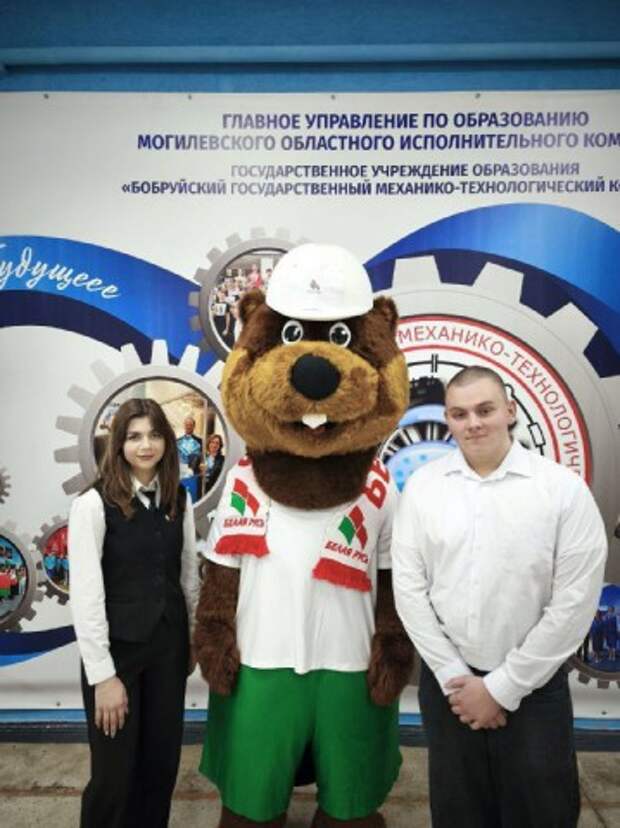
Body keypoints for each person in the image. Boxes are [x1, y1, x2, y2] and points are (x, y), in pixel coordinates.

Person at [391, 365, 607, 828]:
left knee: (542, 814)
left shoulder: (562, 491)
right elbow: (409, 589)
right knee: (458, 813)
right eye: (460, 413)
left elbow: (574, 603)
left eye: (485, 410)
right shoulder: (423, 489)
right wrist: (455, 677)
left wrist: (502, 688)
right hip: (449, 688)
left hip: (535, 689)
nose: (473, 423)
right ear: (447, 420)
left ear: (509, 411)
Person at [68, 397, 200, 828]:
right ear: (118, 444)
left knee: (160, 767)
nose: (146, 445)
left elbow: (187, 577)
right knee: (114, 775)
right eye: (134, 436)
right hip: (117, 655)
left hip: (168, 647)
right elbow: (86, 596)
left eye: (155, 435)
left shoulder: (179, 498)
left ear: (167, 441)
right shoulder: (92, 505)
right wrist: (103, 677)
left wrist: (191, 640)